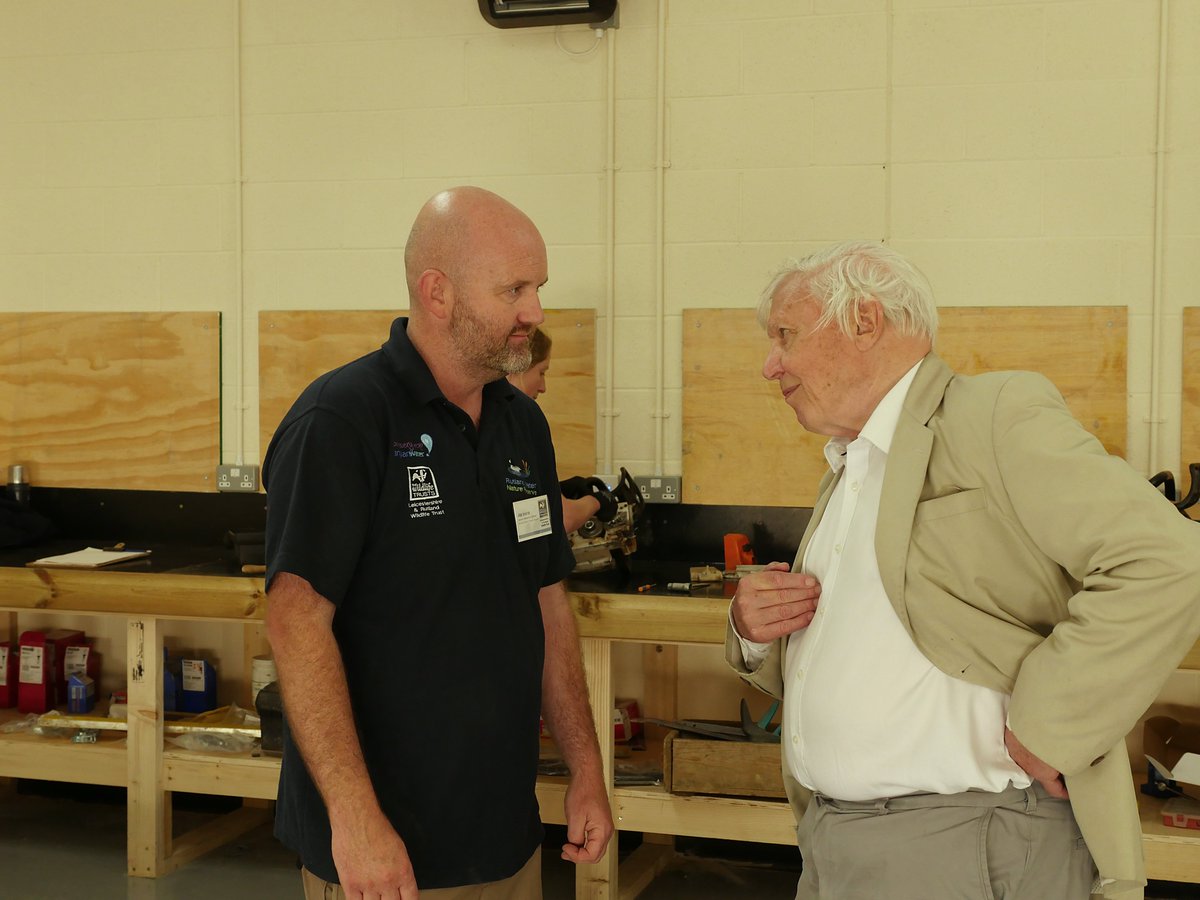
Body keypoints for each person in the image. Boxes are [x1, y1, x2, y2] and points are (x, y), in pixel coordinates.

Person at [726, 240, 1200, 900]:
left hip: (963, 843)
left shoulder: (992, 416)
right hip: (836, 839)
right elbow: (864, 647)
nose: (770, 365)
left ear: (864, 321)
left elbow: (1168, 561)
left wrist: (1051, 724)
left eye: (786, 335)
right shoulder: (850, 469)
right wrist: (751, 626)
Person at [263, 185, 614, 900]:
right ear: (437, 292)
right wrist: (355, 818)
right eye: (513, 288)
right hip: (385, 856)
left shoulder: (523, 425)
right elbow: (297, 623)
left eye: (538, 287)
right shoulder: (342, 420)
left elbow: (546, 601)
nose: (536, 312)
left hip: (505, 837)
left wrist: (586, 771)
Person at [507, 329, 617, 533]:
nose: (543, 387)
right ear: (518, 368)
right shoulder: (519, 426)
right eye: (541, 372)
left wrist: (555, 489)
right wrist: (598, 501)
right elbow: (562, 519)